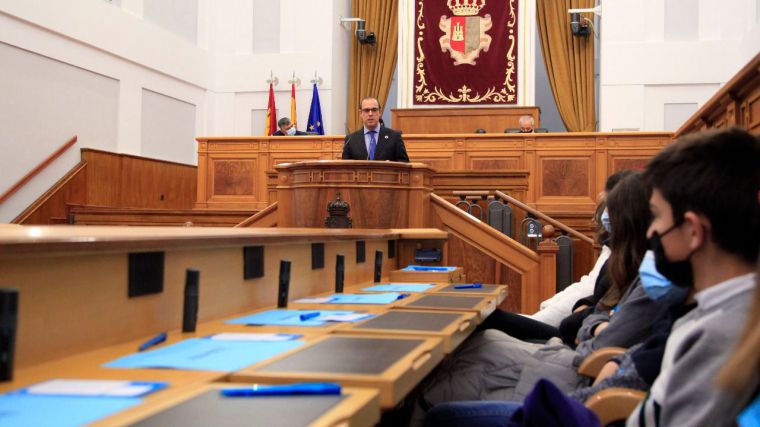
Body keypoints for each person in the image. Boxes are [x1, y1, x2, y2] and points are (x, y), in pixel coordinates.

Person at [625, 128, 759, 426]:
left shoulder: (719, 335)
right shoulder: (716, 312)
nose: (651, 232)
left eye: (657, 216)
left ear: (693, 231)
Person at [342, 97, 409, 162]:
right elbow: (344, 167)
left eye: (374, 110)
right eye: (366, 110)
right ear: (360, 113)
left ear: (380, 112)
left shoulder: (394, 137)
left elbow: (405, 163)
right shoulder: (351, 139)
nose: (370, 114)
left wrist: (392, 166)